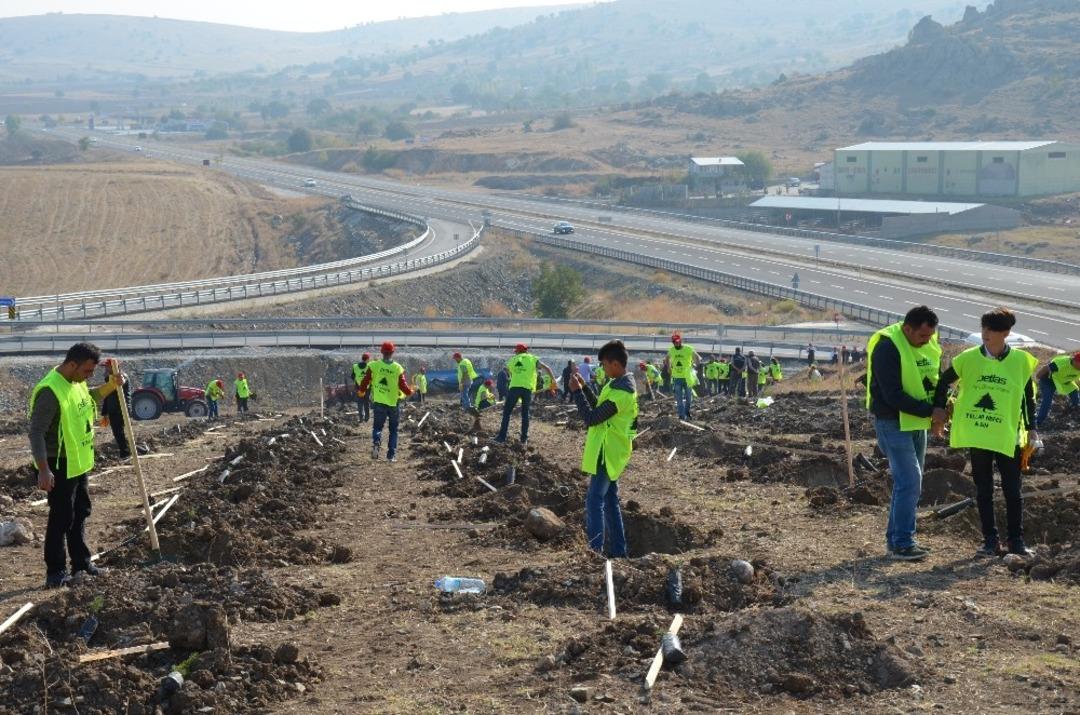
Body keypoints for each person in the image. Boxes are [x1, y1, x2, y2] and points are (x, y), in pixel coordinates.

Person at [932, 308, 1038, 558]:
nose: (985, 334)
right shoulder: (968, 358)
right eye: (983, 329)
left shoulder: (1021, 361)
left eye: (991, 330)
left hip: (1008, 435)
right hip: (978, 433)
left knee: (1013, 490)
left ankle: (1016, 541)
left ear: (1006, 333)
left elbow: (1028, 397)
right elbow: (943, 381)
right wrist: (940, 407)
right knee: (984, 489)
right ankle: (990, 541)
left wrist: (1032, 427)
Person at [29, 343, 122, 588]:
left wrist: (111, 386)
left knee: (80, 512)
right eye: (87, 371)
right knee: (62, 517)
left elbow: (89, 397)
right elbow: (36, 432)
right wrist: (43, 469)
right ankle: (56, 572)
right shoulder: (50, 391)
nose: (89, 376)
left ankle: (81, 563)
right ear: (72, 364)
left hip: (78, 461)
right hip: (57, 463)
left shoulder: (75, 382)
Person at [865, 305, 942, 561]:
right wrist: (931, 411)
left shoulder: (927, 343)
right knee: (910, 482)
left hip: (916, 422)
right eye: (922, 336)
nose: (927, 341)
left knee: (909, 484)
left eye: (930, 336)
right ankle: (902, 542)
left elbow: (933, 378)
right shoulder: (887, 347)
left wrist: (941, 405)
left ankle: (897, 540)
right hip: (893, 421)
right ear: (907, 328)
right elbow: (892, 394)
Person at [570, 340, 638, 558]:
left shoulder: (623, 393)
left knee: (594, 500)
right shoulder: (615, 384)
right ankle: (619, 552)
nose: (603, 369)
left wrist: (577, 393)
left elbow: (592, 418)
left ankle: (595, 552)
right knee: (609, 502)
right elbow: (600, 407)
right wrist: (585, 388)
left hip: (608, 452)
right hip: (609, 450)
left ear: (616, 364)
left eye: (605, 365)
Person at [359, 341, 413, 462]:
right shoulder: (397, 368)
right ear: (392, 353)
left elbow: (365, 380)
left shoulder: (374, 365)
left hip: (378, 402)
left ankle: (376, 442)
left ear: (382, 352)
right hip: (393, 404)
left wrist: (362, 391)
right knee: (393, 430)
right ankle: (391, 455)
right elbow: (403, 386)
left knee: (377, 427)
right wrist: (410, 392)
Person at [495, 344, 555, 446]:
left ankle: (501, 437)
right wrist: (553, 381)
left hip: (514, 388)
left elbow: (509, 371)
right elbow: (547, 368)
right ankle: (524, 439)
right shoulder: (533, 359)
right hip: (527, 389)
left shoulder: (514, 359)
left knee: (507, 413)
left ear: (518, 351)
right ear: (526, 351)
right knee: (525, 414)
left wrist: (517, 374)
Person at [1034, 351, 1080, 428]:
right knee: (1047, 400)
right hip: (1048, 381)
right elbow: (1045, 368)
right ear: (1075, 361)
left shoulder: (1078, 366)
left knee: (1075, 394)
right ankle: (1038, 422)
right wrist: (1037, 377)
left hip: (1064, 381)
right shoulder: (1061, 363)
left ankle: (1074, 412)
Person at [99, 359, 131, 458]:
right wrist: (104, 413)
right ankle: (125, 452)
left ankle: (126, 453)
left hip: (121, 410)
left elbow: (123, 381)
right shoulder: (109, 379)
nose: (105, 369)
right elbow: (107, 396)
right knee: (117, 432)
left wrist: (121, 380)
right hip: (113, 410)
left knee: (119, 432)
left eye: (107, 366)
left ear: (113, 367)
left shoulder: (121, 376)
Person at [668, 334, 698, 420]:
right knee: (679, 399)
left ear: (680, 341)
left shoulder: (688, 348)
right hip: (677, 378)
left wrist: (695, 365)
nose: (676, 344)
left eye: (677, 342)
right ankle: (681, 415)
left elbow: (697, 357)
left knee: (689, 398)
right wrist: (669, 367)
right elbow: (666, 358)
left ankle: (687, 412)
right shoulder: (671, 350)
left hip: (688, 378)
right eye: (674, 342)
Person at [353, 353, 371, 422]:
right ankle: (367, 417)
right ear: (367, 359)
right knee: (366, 402)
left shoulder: (355, 366)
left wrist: (358, 379)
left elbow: (352, 376)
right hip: (367, 387)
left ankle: (361, 417)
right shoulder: (369, 366)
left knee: (360, 402)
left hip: (359, 387)